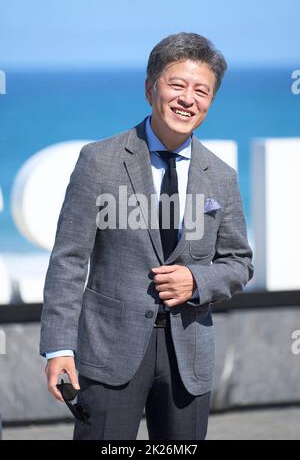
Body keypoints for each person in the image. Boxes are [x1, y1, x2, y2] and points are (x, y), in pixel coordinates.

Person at [40, 32, 253, 440]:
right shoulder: (98, 161)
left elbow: (239, 263)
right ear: (150, 87)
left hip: (188, 357)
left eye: (201, 90)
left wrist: (197, 280)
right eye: (177, 85)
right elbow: (68, 258)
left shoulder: (222, 176)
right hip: (108, 352)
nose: (188, 99)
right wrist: (58, 348)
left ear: (210, 102)